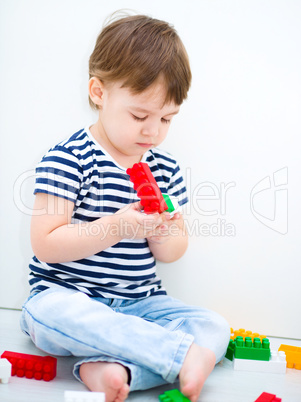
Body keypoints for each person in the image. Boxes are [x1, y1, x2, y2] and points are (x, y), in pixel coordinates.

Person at [20, 13, 230, 402]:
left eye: (167, 118)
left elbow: (172, 252)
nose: (153, 132)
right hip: (69, 295)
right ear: (99, 93)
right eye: (140, 116)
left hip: (140, 304)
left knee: (215, 326)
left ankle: (111, 369)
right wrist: (117, 227)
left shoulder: (163, 168)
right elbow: (46, 244)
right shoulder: (68, 158)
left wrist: (163, 230)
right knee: (47, 315)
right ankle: (179, 356)